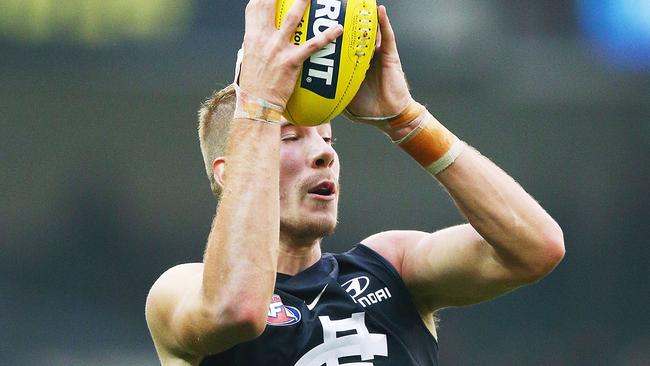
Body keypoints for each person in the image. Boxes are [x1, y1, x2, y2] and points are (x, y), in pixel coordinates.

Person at [145, 0, 565, 365]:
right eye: (290, 137)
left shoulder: (391, 267)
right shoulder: (180, 290)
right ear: (228, 170)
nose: (324, 153)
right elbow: (236, 311)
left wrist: (408, 121)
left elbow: (536, 248)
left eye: (328, 138)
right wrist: (258, 108)